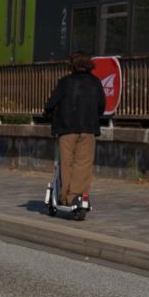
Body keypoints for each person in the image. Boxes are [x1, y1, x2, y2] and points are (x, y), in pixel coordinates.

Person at [43, 52, 105, 212]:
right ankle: (77, 196)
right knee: (83, 164)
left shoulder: (65, 82)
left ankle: (64, 197)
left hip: (66, 128)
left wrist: (47, 112)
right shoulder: (95, 82)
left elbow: (51, 104)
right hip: (88, 128)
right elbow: (102, 106)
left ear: (72, 65)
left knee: (66, 163)